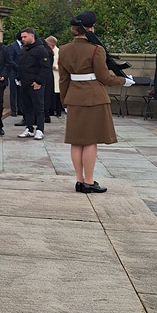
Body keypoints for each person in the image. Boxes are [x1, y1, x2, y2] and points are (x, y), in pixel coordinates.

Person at [58, 11, 133, 193]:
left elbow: (63, 79)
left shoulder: (63, 49)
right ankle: (89, 182)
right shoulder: (96, 50)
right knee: (90, 141)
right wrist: (124, 81)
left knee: (76, 141)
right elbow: (104, 77)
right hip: (93, 98)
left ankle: (79, 180)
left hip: (74, 97)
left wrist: (65, 102)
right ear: (90, 28)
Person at [16, 28, 49, 140]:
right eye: (22, 37)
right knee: (27, 107)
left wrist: (39, 81)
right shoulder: (24, 50)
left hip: (36, 84)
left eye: (25, 37)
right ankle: (29, 128)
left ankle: (40, 129)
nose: (23, 39)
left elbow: (45, 68)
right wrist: (19, 78)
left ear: (32, 36)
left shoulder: (41, 50)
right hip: (24, 83)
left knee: (39, 107)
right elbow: (21, 65)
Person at [6, 32, 24, 124]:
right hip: (13, 72)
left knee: (21, 92)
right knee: (13, 92)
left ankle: (20, 109)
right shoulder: (12, 46)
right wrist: (17, 67)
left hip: (21, 73)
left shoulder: (24, 47)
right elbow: (10, 59)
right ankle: (13, 110)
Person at [45, 36, 62, 119]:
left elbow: (62, 65)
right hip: (49, 75)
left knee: (57, 94)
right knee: (50, 94)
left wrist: (55, 67)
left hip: (56, 75)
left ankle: (58, 111)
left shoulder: (58, 52)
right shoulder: (47, 51)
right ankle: (51, 110)